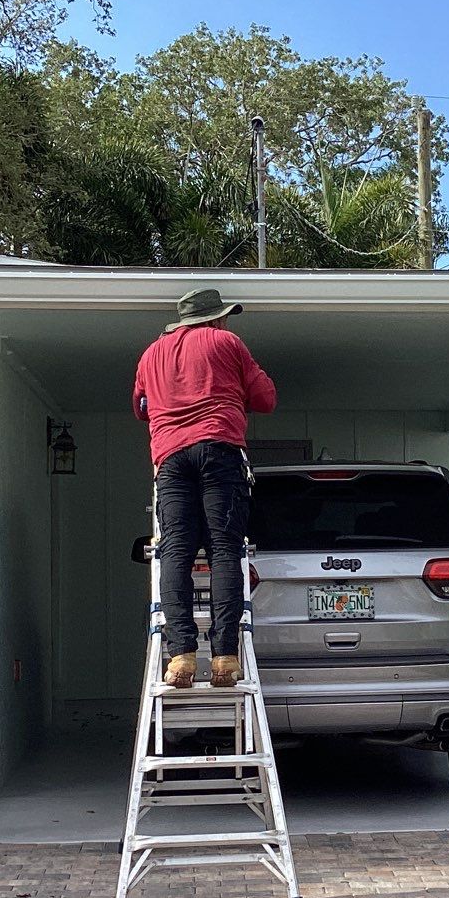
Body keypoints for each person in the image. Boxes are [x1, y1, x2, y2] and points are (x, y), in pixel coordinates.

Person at [133, 287, 277, 689]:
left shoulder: (150, 354)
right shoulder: (226, 342)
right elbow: (266, 398)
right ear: (214, 319)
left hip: (171, 458)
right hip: (219, 449)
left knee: (175, 549)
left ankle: (180, 655)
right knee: (224, 549)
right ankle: (225, 659)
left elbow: (141, 407)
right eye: (224, 316)